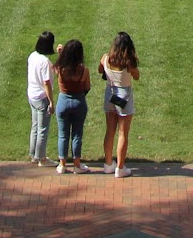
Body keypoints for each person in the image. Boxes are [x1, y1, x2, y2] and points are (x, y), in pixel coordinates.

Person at [98, 31, 141, 178]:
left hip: (110, 93)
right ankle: (120, 168)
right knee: (123, 133)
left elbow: (99, 70)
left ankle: (108, 164)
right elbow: (136, 76)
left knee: (110, 130)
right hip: (123, 96)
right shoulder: (129, 62)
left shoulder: (106, 58)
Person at [52, 38, 90, 174]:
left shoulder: (60, 69)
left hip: (63, 102)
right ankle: (77, 165)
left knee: (63, 134)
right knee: (77, 134)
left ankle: (62, 165)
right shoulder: (84, 70)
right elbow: (87, 87)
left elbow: (58, 65)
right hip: (79, 101)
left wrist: (60, 54)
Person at [26, 31, 57, 166]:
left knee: (35, 126)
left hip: (32, 95)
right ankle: (41, 158)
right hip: (41, 97)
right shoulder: (45, 62)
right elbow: (46, 83)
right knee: (42, 129)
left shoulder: (32, 56)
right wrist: (51, 101)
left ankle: (34, 155)